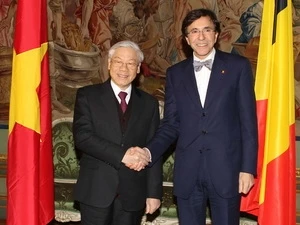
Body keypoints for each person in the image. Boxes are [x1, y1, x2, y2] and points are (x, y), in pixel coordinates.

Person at [129, 8, 258, 225]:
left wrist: (248, 169)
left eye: (207, 30)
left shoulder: (238, 67)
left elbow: (248, 123)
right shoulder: (175, 74)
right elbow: (171, 124)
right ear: (187, 39)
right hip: (188, 174)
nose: (201, 37)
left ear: (216, 35)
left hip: (227, 171)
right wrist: (147, 152)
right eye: (194, 31)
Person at [72, 40, 162, 225]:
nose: (124, 68)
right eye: (119, 61)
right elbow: (83, 137)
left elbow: (153, 149)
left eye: (131, 63)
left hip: (133, 194)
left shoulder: (149, 104)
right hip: (96, 191)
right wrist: (123, 156)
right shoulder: (87, 96)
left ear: (138, 69)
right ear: (109, 64)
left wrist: (153, 193)